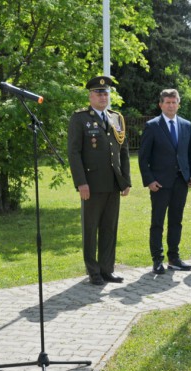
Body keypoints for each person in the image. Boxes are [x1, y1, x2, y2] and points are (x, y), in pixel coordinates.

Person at [68, 75, 131, 285]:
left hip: (113, 183)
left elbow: (123, 151)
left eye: (105, 93)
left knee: (109, 228)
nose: (103, 96)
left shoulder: (116, 118)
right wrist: (81, 182)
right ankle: (93, 271)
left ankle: (107, 269)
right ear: (90, 95)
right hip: (92, 184)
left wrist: (126, 180)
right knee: (91, 228)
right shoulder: (80, 119)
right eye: (98, 93)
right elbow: (74, 153)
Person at [138, 88, 191, 274]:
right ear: (161, 105)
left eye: (174, 102)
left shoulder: (186, 125)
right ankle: (157, 260)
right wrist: (149, 180)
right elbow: (143, 158)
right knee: (157, 222)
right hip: (160, 184)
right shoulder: (152, 126)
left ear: (178, 104)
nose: (171, 105)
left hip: (181, 182)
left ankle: (174, 258)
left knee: (176, 221)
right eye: (167, 102)